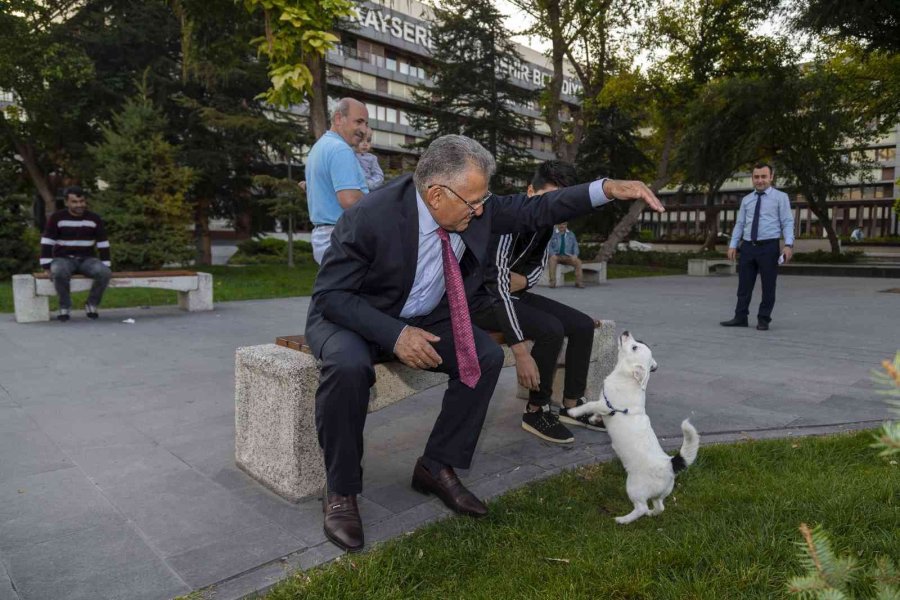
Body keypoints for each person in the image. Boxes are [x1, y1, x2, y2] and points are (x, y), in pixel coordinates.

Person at [305, 134, 665, 553]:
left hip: (423, 314)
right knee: (348, 369)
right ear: (436, 194)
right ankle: (342, 492)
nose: (480, 212)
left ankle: (436, 466)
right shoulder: (370, 216)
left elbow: (538, 208)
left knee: (484, 357)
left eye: (483, 201)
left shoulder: (470, 206)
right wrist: (395, 334)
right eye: (473, 203)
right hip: (353, 314)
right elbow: (330, 296)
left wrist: (606, 189)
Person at [471, 160, 603, 445]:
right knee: (550, 328)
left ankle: (572, 405)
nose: (556, 208)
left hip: (512, 294)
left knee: (581, 325)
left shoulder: (547, 223)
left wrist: (522, 280)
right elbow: (496, 287)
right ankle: (536, 409)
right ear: (531, 191)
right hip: (481, 301)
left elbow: (535, 269)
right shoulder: (506, 218)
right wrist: (520, 351)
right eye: (552, 199)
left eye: (562, 202)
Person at [720, 163, 794, 331]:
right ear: (752, 178)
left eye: (763, 177)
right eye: (756, 177)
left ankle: (763, 318)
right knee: (744, 285)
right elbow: (740, 224)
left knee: (768, 286)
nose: (760, 181)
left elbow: (787, 222)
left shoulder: (781, 197)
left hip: (769, 247)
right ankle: (740, 317)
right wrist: (733, 245)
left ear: (771, 177)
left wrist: (788, 244)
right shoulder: (747, 200)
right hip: (747, 247)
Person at [305, 98, 370, 264]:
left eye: (366, 124)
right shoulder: (340, 150)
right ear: (339, 119)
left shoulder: (320, 147)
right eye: (359, 122)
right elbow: (349, 200)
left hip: (325, 239)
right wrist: (381, 203)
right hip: (342, 238)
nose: (364, 129)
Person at [39, 186, 112, 321]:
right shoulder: (57, 218)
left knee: (105, 273)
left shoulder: (94, 219)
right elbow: (47, 241)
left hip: (87, 259)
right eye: (74, 202)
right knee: (59, 271)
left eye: (82, 201)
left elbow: (103, 242)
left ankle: (92, 304)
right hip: (63, 259)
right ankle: (64, 306)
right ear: (67, 203)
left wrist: (106, 264)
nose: (79, 205)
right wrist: (46, 266)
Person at [546, 222, 584, 288]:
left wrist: (575, 255)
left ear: (566, 225)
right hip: (556, 256)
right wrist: (552, 254)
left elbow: (575, 246)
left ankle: (579, 282)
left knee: (578, 262)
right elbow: (548, 245)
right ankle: (552, 282)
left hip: (568, 256)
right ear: (557, 225)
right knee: (552, 259)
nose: (562, 226)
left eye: (563, 224)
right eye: (560, 224)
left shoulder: (571, 234)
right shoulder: (553, 234)